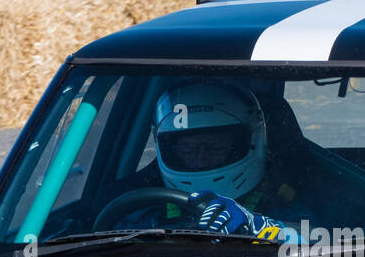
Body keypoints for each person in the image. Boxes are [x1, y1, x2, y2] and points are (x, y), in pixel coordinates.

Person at [119, 79, 307, 239]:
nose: (202, 159)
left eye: (216, 148)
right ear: (170, 150)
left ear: (250, 141)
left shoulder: (282, 203)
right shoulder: (146, 211)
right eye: (189, 151)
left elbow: (322, 242)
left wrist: (262, 226)